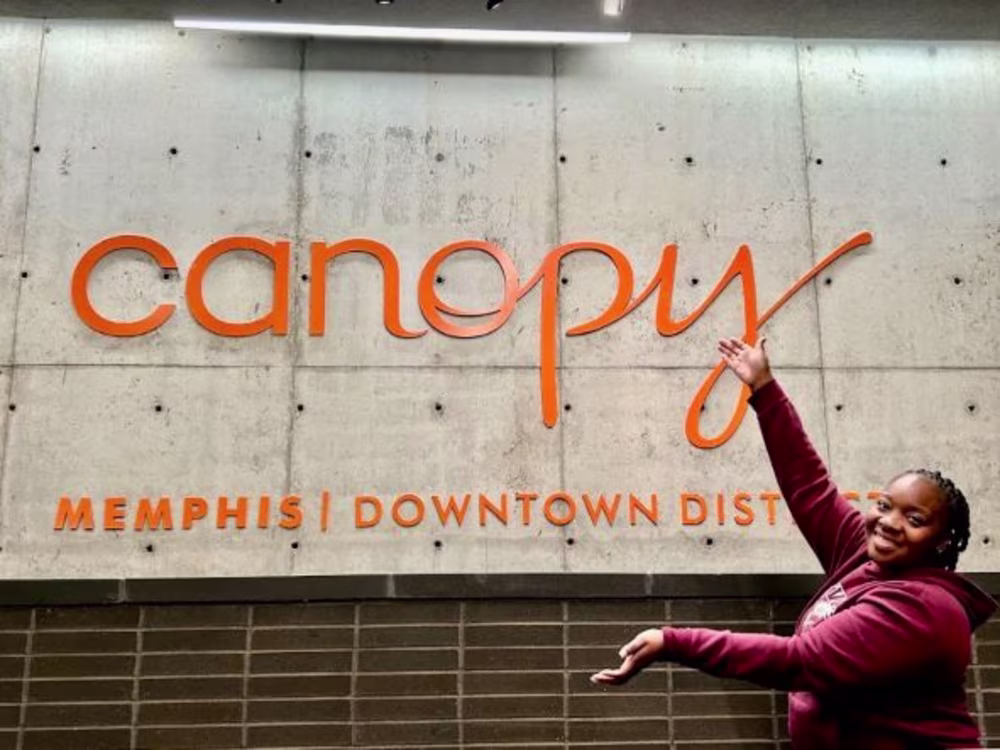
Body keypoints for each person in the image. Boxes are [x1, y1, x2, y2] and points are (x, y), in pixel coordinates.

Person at [591, 337, 996, 749]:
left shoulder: (922, 609)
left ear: (943, 542)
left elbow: (799, 661)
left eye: (914, 519)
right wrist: (764, 388)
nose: (889, 523)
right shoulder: (864, 555)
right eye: (884, 505)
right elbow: (809, 487)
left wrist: (673, 642)